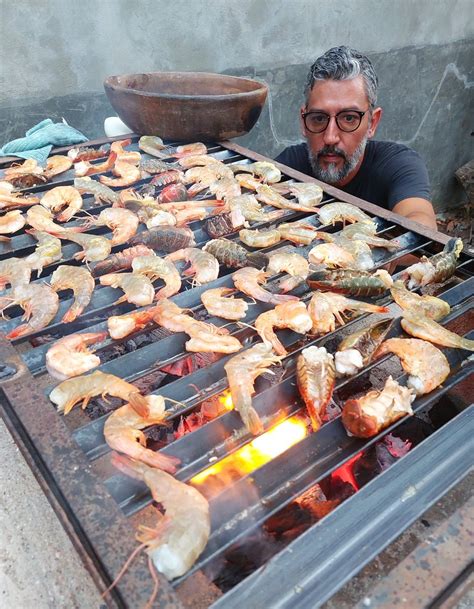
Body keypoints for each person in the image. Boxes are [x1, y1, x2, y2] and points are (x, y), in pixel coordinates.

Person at [275, 46, 438, 229]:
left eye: (349, 118)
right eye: (319, 119)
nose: (330, 137)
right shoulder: (287, 167)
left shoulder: (398, 165)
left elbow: (421, 224)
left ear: (372, 123)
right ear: (303, 122)